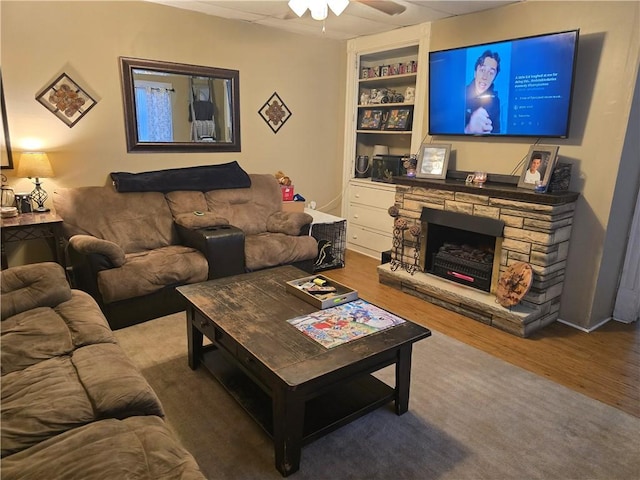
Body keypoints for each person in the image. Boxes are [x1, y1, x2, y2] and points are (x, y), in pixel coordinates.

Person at [465, 50, 501, 134]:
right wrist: (468, 130)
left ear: (494, 79)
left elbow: (497, 132)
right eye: (482, 70)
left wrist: (490, 134)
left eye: (491, 73)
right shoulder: (460, 95)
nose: (485, 77)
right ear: (475, 73)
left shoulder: (495, 101)